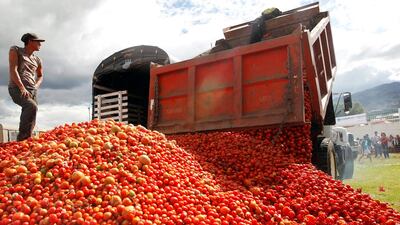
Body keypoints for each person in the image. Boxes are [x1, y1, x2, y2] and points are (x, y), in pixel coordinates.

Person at [8, 33, 45, 141]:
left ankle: (27, 141)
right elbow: (13, 70)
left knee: (33, 112)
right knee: (31, 106)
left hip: (32, 90)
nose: (40, 44)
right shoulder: (15, 50)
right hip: (16, 87)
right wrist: (22, 87)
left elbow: (40, 76)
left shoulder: (37, 60)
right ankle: (22, 140)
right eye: (38, 41)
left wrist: (36, 86)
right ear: (30, 41)